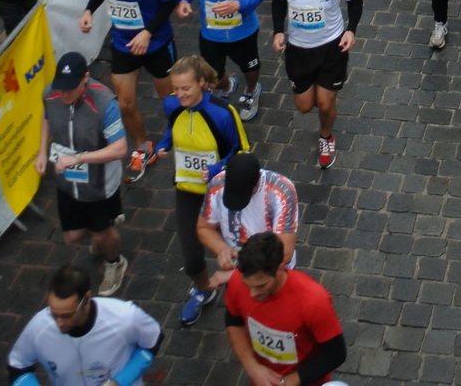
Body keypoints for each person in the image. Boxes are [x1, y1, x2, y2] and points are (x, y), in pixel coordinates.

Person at [148, 53, 249, 326]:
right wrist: (163, 146)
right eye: (176, 88)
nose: (179, 94)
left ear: (202, 83)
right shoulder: (173, 105)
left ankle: (244, 298)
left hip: (222, 194)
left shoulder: (222, 113)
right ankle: (203, 290)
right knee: (192, 261)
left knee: (231, 253)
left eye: (186, 88)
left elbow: (243, 151)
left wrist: (218, 168)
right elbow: (172, 128)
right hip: (188, 191)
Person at [78, 0, 177, 180]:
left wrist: (148, 32)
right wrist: (89, 10)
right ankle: (143, 147)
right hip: (123, 43)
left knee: (171, 99)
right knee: (125, 103)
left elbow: (169, 2)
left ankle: (177, 133)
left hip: (156, 43)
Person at [36, 51, 129, 298]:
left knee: (102, 234)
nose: (64, 94)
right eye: (61, 87)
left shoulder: (104, 102)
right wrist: (41, 152)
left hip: (99, 184)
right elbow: (46, 117)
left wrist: (78, 158)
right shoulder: (50, 92)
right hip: (67, 181)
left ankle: (115, 262)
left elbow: (120, 148)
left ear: (86, 79)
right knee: (71, 236)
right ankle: (106, 224)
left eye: (71, 88)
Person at [271, 0, 362, 170]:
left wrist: (351, 30)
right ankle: (323, 104)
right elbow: (278, 2)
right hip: (299, 49)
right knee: (304, 106)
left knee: (324, 103)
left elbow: (355, 1)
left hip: (331, 47)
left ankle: (326, 136)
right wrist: (278, 30)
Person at [224, 231, 347, 386]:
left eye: (261, 285)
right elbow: (233, 321)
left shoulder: (314, 301)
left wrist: (288, 382)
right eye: (248, 285)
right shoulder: (237, 280)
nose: (252, 293)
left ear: (280, 267)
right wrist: (252, 367)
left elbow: (335, 354)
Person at [8, 264, 160, 386]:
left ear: (86, 298)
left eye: (67, 315)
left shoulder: (124, 316)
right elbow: (17, 366)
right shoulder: (39, 327)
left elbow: (152, 342)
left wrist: (119, 382)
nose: (59, 323)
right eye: (54, 314)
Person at [197, 152, 299, 288]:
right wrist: (222, 249)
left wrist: (235, 275)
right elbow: (204, 227)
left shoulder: (281, 191)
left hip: (269, 275)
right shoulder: (217, 184)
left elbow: (283, 253)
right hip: (238, 269)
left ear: (257, 178)